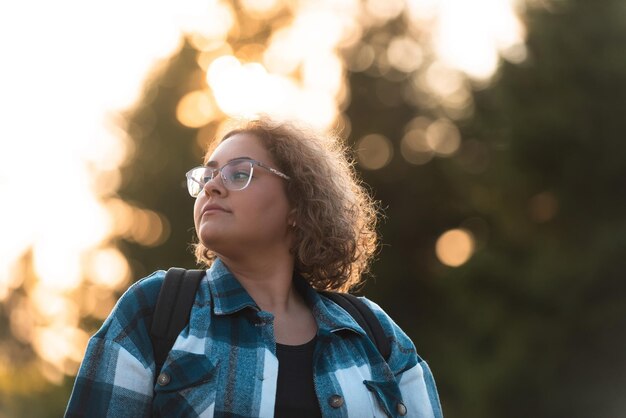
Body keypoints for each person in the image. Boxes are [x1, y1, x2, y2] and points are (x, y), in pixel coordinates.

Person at [65, 116, 443, 417]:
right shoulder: (152, 311)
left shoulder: (373, 334)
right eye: (208, 174)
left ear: (298, 204)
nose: (213, 185)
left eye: (239, 173)